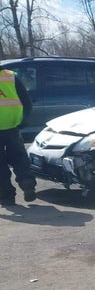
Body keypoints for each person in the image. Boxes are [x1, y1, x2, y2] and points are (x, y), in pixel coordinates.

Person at [0, 68, 36, 206]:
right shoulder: (9, 76)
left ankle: (6, 196)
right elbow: (26, 102)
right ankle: (27, 183)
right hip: (12, 126)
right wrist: (23, 121)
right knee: (19, 157)